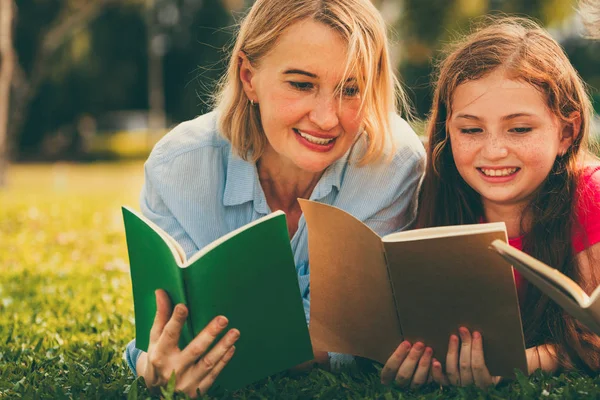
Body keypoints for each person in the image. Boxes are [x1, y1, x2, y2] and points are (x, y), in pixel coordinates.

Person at [123, 0, 425, 396]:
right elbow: (165, 330)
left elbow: (362, 336)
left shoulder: (393, 164)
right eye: (301, 84)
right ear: (248, 77)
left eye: (351, 89)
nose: (327, 118)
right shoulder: (178, 166)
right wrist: (153, 364)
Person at [380, 17, 600, 389]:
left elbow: (594, 339)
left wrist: (515, 364)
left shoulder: (589, 196)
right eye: (470, 130)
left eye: (519, 128)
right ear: (447, 131)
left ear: (567, 132)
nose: (494, 151)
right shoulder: (430, 196)